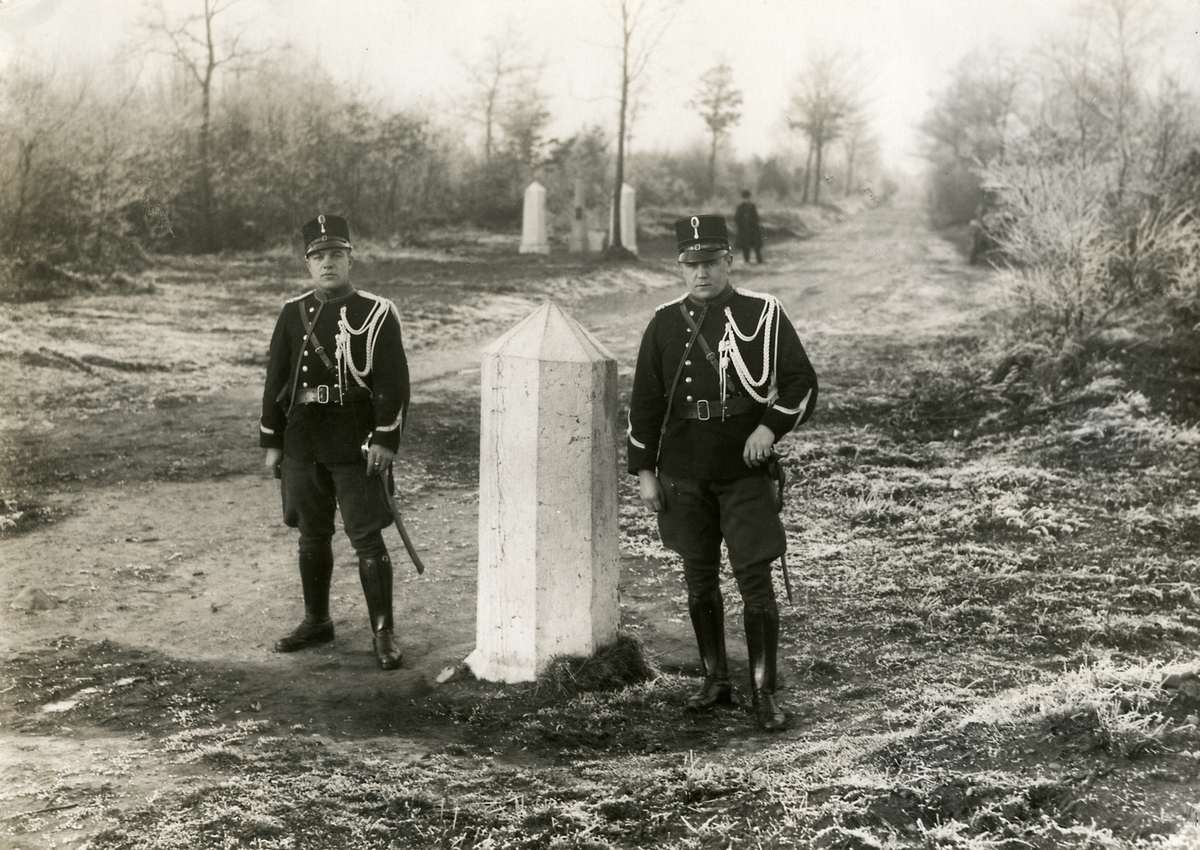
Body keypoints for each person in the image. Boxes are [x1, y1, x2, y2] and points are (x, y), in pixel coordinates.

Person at [626, 214, 818, 731]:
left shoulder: (764, 314)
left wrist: (769, 430)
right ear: (680, 267)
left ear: (729, 260)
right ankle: (715, 681)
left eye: (710, 263)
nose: (701, 274)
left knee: (754, 580)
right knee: (698, 576)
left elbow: (801, 383)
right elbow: (644, 402)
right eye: (691, 265)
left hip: (744, 466)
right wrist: (644, 471)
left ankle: (764, 693)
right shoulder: (664, 323)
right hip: (684, 468)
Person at [259, 213, 411, 670]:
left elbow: (393, 382)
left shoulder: (377, 312)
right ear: (308, 263)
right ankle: (316, 620)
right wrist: (273, 441)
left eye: (336, 255)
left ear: (351, 258)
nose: (328, 263)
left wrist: (385, 439)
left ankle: (382, 634)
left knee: (366, 539)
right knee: (311, 535)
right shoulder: (293, 313)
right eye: (319, 256)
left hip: (355, 441)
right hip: (303, 438)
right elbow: (276, 379)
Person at [734, 190, 764, 264]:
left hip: (753, 229)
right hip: (744, 230)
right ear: (743, 198)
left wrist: (752, 221)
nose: (746, 199)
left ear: (749, 198)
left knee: (757, 246)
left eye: (747, 198)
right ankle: (746, 261)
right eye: (745, 198)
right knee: (745, 246)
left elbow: (756, 218)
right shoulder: (740, 207)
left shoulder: (752, 206)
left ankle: (759, 261)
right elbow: (736, 218)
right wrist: (741, 223)